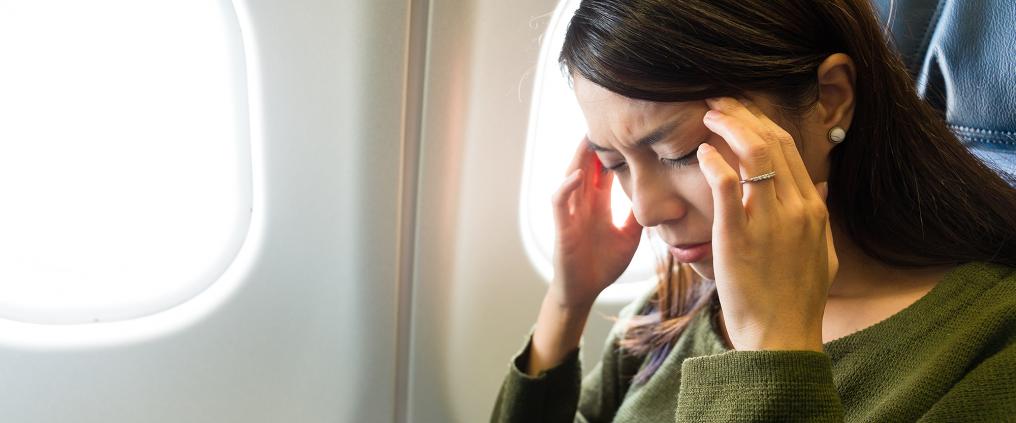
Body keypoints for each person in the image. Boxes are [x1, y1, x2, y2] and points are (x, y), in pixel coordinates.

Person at [491, 0, 1016, 421]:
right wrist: (566, 304)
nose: (646, 211)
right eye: (616, 164)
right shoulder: (678, 300)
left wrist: (774, 345)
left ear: (829, 99)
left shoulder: (990, 347)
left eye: (679, 154)